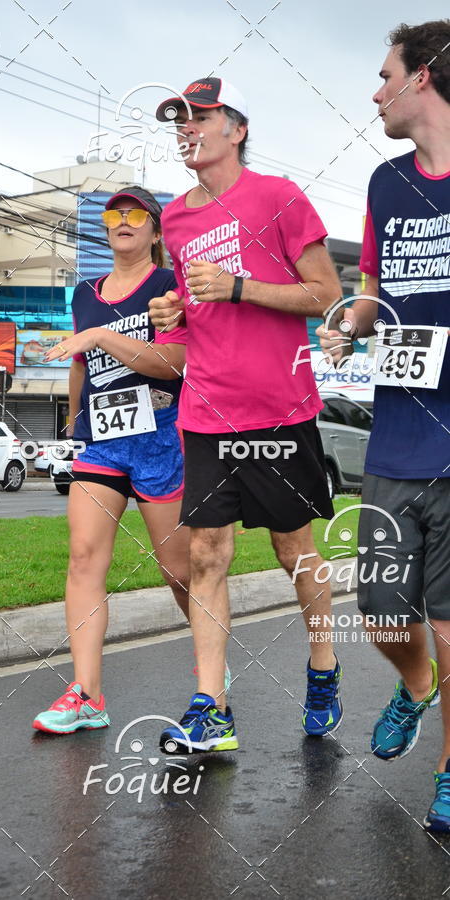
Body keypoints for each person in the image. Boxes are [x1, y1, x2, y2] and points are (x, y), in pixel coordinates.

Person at [148, 78, 343, 754]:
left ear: (236, 130)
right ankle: (213, 707)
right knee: (205, 550)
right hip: (206, 406)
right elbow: (189, 300)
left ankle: (323, 665)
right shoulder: (174, 217)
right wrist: (171, 310)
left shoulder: (279, 198)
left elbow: (327, 296)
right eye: (179, 120)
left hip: (279, 407)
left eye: (200, 117)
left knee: (294, 548)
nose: (186, 128)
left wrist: (239, 288)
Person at [318, 21, 450, 832]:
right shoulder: (385, 184)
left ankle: (448, 769)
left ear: (423, 78)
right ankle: (414, 684)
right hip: (396, 440)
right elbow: (373, 289)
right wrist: (348, 321)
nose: (375, 91)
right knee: (382, 613)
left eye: (385, 75)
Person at [32, 186, 192, 734]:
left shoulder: (170, 286)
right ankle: (87, 694)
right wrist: (74, 422)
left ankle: (210, 681)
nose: (123, 221)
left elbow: (173, 364)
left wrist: (102, 334)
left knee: (179, 571)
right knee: (82, 558)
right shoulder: (85, 293)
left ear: (155, 230)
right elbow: (80, 362)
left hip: (161, 438)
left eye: (136, 214)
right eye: (114, 214)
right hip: (101, 438)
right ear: (105, 227)